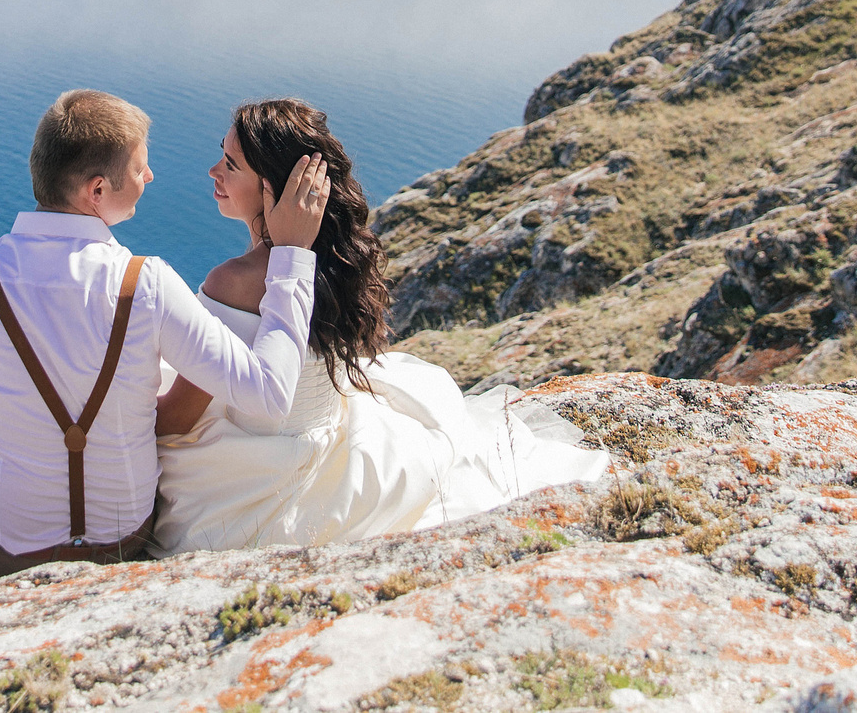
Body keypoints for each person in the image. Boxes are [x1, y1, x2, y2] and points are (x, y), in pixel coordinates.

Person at [0, 87, 331, 577]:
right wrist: (291, 258)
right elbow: (268, 393)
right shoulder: (147, 283)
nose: (150, 176)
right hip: (122, 539)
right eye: (139, 167)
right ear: (98, 191)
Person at [151, 98, 608, 554]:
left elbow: (177, 417)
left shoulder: (232, 282)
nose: (213, 170)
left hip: (254, 480)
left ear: (276, 189)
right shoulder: (333, 261)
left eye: (231, 164)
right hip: (335, 445)